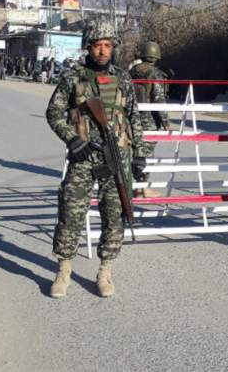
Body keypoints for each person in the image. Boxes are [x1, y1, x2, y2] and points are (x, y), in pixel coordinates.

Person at [45, 19, 143, 299]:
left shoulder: (123, 78)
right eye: (97, 45)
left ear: (114, 47)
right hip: (84, 157)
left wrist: (139, 157)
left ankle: (105, 271)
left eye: (107, 45)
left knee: (115, 215)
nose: (102, 51)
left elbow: (134, 117)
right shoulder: (72, 76)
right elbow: (54, 113)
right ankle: (63, 271)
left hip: (118, 155)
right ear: (88, 46)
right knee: (70, 212)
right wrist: (74, 140)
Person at [128, 41, 170, 197]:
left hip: (132, 116)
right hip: (149, 120)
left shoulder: (133, 71)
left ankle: (138, 185)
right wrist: (165, 121)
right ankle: (143, 187)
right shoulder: (154, 74)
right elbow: (158, 99)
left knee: (135, 152)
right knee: (146, 153)